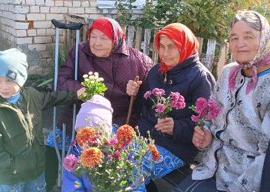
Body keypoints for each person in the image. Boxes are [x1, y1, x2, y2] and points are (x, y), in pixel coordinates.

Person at [45, 17, 153, 191]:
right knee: (52, 146)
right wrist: (79, 90)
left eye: (103, 38)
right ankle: (50, 185)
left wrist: (136, 91)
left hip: (117, 120)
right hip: (79, 115)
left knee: (106, 161)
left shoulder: (138, 60)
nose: (96, 43)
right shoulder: (80, 51)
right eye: (93, 36)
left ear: (116, 39)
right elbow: (59, 82)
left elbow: (150, 97)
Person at [172, 10, 270, 192]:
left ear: (264, 39)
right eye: (234, 38)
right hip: (212, 167)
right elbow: (212, 114)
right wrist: (206, 135)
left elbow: (266, 155)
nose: (240, 44)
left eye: (248, 36)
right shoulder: (229, 73)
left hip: (247, 179)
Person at [0, 48, 83, 192]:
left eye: (9, 80)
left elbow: (52, 98)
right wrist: (10, 166)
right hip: (11, 178)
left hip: (37, 171)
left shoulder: (32, 96)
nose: (3, 86)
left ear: (21, 80)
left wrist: (75, 94)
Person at [134, 23, 216, 191]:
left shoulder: (200, 78)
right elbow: (143, 105)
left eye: (171, 47)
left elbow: (206, 124)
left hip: (175, 147)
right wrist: (134, 92)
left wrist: (176, 127)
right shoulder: (156, 71)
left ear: (185, 46)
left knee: (130, 174)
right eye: (162, 46)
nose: (164, 52)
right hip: (145, 138)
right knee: (112, 162)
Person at [62, 94, 147, 192]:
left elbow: (137, 185)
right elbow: (71, 187)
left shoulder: (125, 151)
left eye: (90, 135)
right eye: (81, 135)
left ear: (105, 133)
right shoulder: (76, 157)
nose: (85, 142)